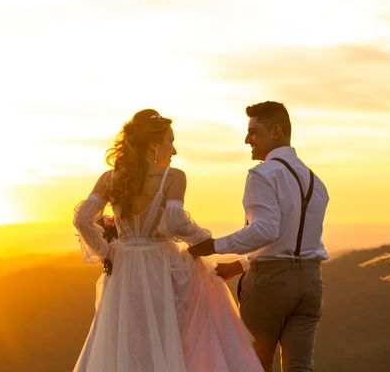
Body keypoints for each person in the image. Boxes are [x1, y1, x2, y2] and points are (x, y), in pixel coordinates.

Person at [72, 109, 263, 372]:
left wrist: (108, 252)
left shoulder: (110, 178)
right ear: (153, 144)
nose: (173, 151)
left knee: (126, 341)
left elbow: (82, 219)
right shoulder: (172, 177)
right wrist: (206, 240)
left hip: (123, 271)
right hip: (161, 267)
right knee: (169, 339)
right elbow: (175, 222)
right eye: (170, 141)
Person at [189, 101, 329, 372]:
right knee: (300, 368)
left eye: (254, 132)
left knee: (253, 366)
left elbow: (266, 230)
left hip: (270, 286)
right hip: (311, 284)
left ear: (276, 132)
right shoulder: (316, 181)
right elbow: (292, 242)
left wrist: (212, 246)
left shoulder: (263, 174)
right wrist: (241, 265)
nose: (247, 140)